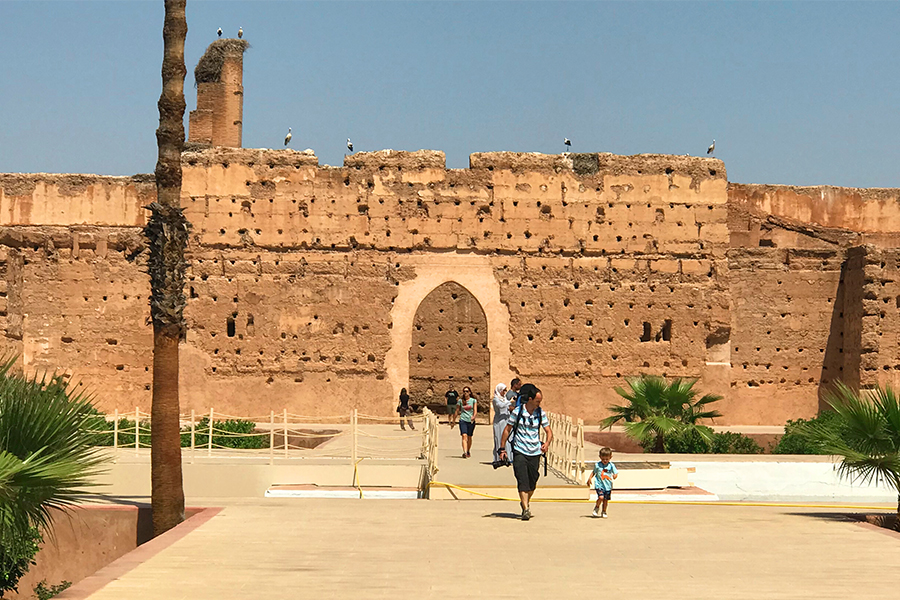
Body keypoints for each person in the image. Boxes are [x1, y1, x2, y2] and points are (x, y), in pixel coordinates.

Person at [498, 384, 552, 521]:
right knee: (522, 479)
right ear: (530, 399)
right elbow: (507, 429)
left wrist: (547, 443)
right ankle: (526, 508)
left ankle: (525, 501)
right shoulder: (518, 412)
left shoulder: (541, 413)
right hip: (519, 450)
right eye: (537, 401)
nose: (539, 403)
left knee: (532, 481)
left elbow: (549, 431)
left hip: (535, 451)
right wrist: (502, 448)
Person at [587, 447, 618, 518]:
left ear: (610, 457)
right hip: (599, 484)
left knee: (605, 500)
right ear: (600, 457)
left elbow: (615, 472)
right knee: (601, 497)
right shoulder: (597, 465)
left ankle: (604, 511)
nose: (605, 461)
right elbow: (594, 472)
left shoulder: (611, 465)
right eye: (603, 459)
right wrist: (590, 478)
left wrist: (615, 475)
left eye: (607, 459)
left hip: (608, 485)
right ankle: (597, 507)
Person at [491, 382, 514, 466]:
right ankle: (499, 457)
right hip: (499, 421)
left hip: (506, 420)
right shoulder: (496, 399)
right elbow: (500, 406)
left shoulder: (505, 400)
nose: (504, 392)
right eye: (503, 390)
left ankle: (508, 457)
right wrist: (509, 402)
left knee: (507, 438)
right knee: (499, 438)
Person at [457, 386, 477, 458]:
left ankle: (468, 450)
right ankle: (465, 452)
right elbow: (457, 410)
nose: (465, 393)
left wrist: (474, 416)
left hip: (471, 421)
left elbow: (475, 410)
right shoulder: (460, 401)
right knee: (464, 436)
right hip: (463, 420)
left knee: (469, 437)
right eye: (464, 391)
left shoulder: (473, 400)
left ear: (470, 392)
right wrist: (453, 420)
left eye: (467, 391)